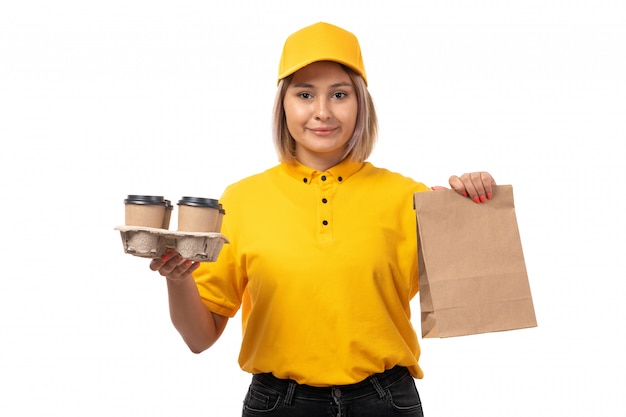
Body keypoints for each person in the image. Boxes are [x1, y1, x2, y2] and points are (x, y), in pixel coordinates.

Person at [150, 22, 495, 417]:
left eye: (339, 94)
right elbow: (199, 339)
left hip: (386, 402)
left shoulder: (408, 197)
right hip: (279, 405)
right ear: (283, 104)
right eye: (304, 94)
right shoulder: (241, 201)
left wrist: (474, 205)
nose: (322, 112)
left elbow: (472, 295)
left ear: (360, 103)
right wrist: (178, 281)